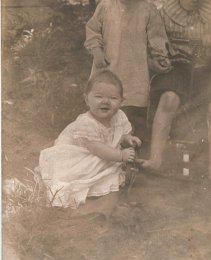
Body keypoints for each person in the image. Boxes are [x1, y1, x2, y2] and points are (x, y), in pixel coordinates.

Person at [142, 0, 211, 191]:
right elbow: (152, 47)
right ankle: (156, 159)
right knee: (169, 98)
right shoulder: (164, 15)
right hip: (176, 67)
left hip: (207, 70)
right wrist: (160, 57)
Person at [39, 70, 141, 220]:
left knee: (109, 168)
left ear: (121, 101)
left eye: (113, 98)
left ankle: (101, 198)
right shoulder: (86, 123)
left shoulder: (119, 116)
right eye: (98, 97)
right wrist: (120, 155)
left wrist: (127, 139)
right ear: (87, 100)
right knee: (99, 171)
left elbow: (120, 134)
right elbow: (97, 148)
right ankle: (88, 204)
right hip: (78, 157)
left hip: (101, 154)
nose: (105, 102)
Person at [84, 0, 171, 141]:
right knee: (104, 110)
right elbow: (93, 30)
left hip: (135, 72)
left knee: (134, 114)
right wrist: (96, 51)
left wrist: (159, 57)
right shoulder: (105, 6)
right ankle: (104, 151)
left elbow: (157, 38)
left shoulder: (147, 9)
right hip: (108, 67)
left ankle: (131, 154)